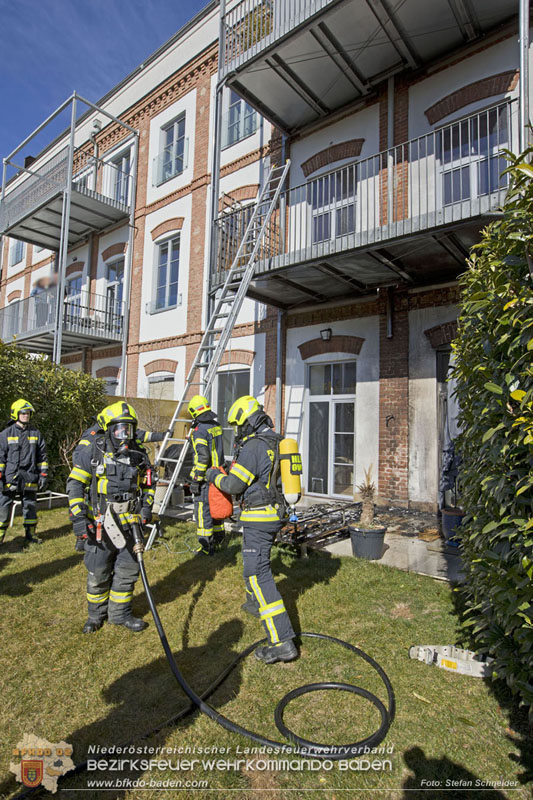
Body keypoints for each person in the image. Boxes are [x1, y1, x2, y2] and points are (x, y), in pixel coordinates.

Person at [205, 395, 297, 664]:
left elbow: (234, 485)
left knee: (258, 574)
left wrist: (213, 475)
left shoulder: (254, 447)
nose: (237, 431)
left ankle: (281, 642)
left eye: (239, 426)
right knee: (255, 568)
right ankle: (256, 605)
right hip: (274, 513)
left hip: (259, 517)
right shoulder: (277, 441)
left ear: (248, 422)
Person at [67, 401, 155, 633]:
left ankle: (120, 614)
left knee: (127, 571)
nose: (124, 435)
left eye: (129, 429)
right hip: (101, 524)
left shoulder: (139, 454)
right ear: (109, 429)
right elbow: (75, 484)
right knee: (98, 571)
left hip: (130, 524)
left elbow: (148, 486)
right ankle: (95, 616)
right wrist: (78, 518)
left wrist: (146, 508)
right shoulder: (93, 452)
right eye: (119, 429)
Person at [0, 399, 48, 546]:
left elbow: (42, 456)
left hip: (30, 476)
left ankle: (31, 534)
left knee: (30, 506)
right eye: (23, 413)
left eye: (28, 413)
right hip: (11, 478)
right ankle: (0, 535)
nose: (26, 416)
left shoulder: (36, 433)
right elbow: (0, 457)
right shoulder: (6, 434)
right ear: (16, 414)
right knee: (3, 507)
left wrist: (43, 475)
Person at [187, 395, 225, 555]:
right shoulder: (216, 425)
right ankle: (218, 538)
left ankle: (206, 547)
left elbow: (203, 457)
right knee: (216, 507)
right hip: (218, 474)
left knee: (203, 512)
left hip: (205, 478)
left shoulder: (199, 431)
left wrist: (196, 479)